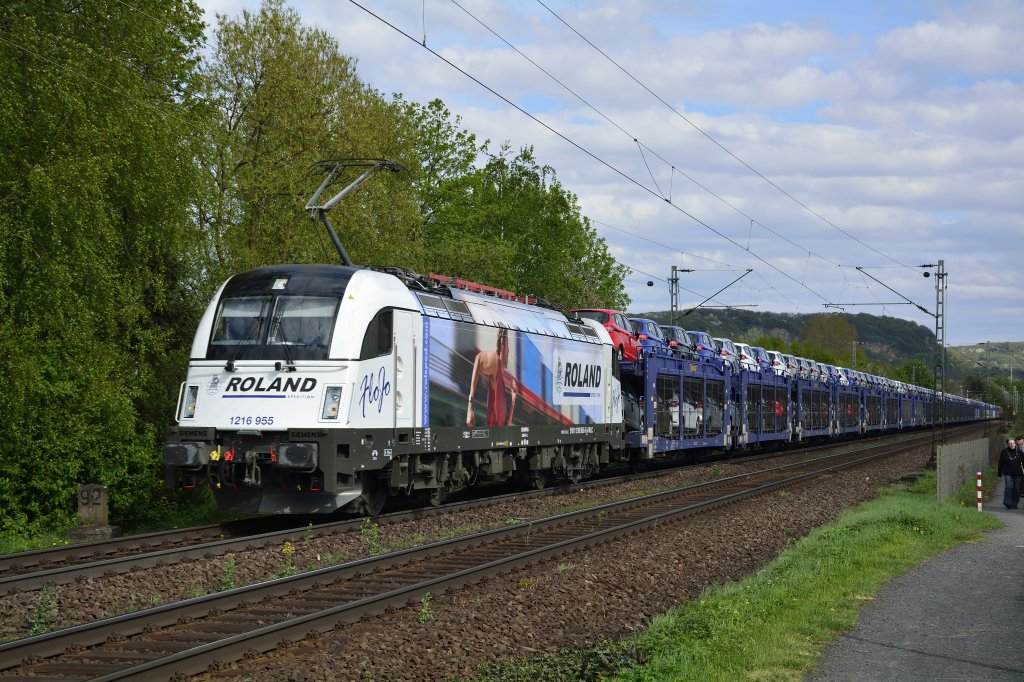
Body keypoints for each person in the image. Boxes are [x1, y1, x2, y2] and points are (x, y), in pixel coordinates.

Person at [466, 328, 517, 428]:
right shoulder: (496, 363)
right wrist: (470, 406)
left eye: (507, 344)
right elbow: (478, 359)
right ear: (501, 345)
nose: (506, 349)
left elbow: (507, 425)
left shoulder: (502, 383)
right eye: (504, 343)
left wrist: (513, 400)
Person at [996, 438, 1024, 509]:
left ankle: (1014, 503)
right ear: (1008, 444)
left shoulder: (1020, 452)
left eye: (1013, 443)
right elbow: (1001, 463)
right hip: (1008, 472)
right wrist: (999, 473)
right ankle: (1007, 503)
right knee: (1008, 487)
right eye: (1010, 443)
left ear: (1015, 443)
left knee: (1017, 488)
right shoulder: (1004, 452)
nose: (1012, 445)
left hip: (1018, 473)